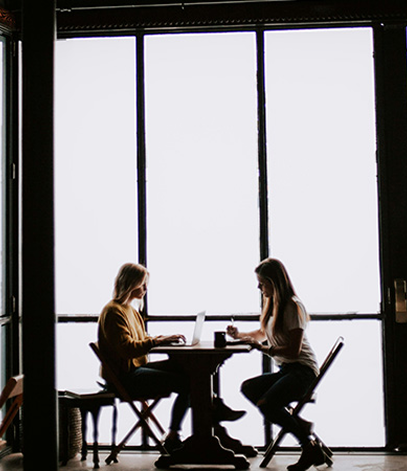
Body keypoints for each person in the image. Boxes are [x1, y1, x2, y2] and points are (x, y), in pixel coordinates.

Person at [226, 258, 324, 471]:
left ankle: (308, 446)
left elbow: (293, 350)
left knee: (267, 404)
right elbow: (263, 334)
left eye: (262, 282)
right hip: (287, 369)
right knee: (248, 388)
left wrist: (262, 348)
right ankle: (302, 427)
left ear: (274, 282)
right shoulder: (274, 305)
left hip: (302, 371)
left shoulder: (293, 306)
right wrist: (239, 335)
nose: (258, 287)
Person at [97, 262, 189, 453]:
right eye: (142, 284)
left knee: (188, 369)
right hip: (124, 378)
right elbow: (127, 349)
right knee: (187, 381)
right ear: (130, 284)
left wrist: (162, 340)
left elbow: (142, 340)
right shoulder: (113, 311)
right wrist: (157, 342)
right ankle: (176, 434)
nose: (146, 289)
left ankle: (210, 415)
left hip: (134, 371)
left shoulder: (131, 310)